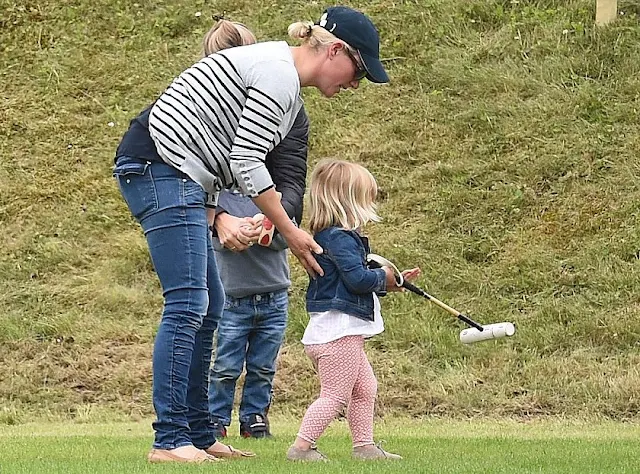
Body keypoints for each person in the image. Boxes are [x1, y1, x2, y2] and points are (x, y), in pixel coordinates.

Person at [113, 6, 389, 463]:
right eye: (357, 69)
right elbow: (246, 161)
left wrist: (271, 217)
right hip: (158, 168)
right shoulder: (278, 74)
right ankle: (169, 441)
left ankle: (200, 434)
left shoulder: (287, 92)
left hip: (185, 177)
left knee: (211, 304)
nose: (356, 83)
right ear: (334, 49)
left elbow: (259, 168)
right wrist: (289, 232)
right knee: (187, 302)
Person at [286, 160, 421, 462]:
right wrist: (383, 277)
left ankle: (364, 446)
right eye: (366, 198)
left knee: (365, 388)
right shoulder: (339, 238)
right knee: (334, 394)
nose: (370, 205)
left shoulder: (333, 237)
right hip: (339, 334)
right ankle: (301, 448)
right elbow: (358, 279)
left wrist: (390, 283)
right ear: (349, 201)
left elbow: (356, 279)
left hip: (341, 333)